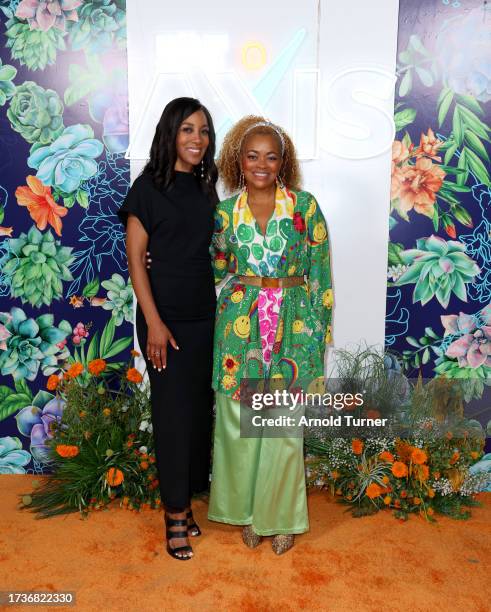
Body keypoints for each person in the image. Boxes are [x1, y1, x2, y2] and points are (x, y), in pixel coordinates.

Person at [207, 115, 334, 555]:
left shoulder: (305, 207)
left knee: (281, 427)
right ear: (238, 160)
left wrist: (317, 334)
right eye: (252, 155)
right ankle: (243, 511)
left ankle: (279, 519)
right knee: (240, 424)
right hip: (239, 327)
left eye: (271, 156)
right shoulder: (224, 213)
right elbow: (216, 269)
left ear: (284, 162)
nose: (261, 164)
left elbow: (320, 274)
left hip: (293, 325)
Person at [117, 97, 219, 560]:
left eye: (203, 132)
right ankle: (174, 515)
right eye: (188, 130)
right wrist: (154, 322)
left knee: (198, 413)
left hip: (205, 316)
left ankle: (189, 500)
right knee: (173, 416)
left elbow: (208, 251)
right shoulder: (146, 189)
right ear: (170, 135)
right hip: (165, 319)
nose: (197, 140)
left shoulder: (206, 188)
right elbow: (137, 260)